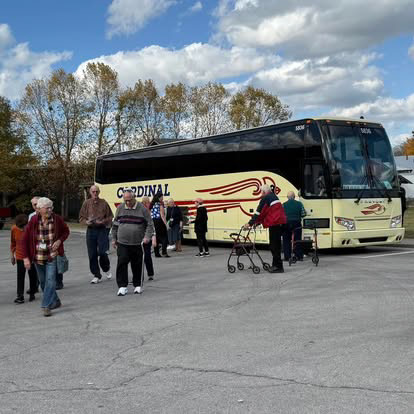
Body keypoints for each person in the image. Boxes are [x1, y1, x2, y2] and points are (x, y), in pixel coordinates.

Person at [22, 197, 70, 317]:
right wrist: (25, 258)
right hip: (38, 257)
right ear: (39, 209)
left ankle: (46, 306)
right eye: (47, 208)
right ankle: (56, 301)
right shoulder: (33, 220)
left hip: (51, 256)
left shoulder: (57, 219)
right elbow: (24, 239)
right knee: (43, 282)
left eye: (51, 208)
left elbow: (66, 231)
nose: (50, 210)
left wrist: (59, 241)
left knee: (50, 281)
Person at [112, 189, 155, 296]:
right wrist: (113, 238)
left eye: (129, 200)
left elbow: (150, 224)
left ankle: (138, 285)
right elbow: (115, 224)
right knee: (122, 263)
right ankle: (122, 286)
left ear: (134, 197)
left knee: (137, 264)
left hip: (137, 242)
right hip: (122, 242)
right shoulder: (120, 208)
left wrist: (147, 236)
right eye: (125, 200)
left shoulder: (142, 209)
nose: (127, 202)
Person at [244, 184, 286, 273]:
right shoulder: (274, 196)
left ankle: (278, 267)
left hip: (274, 223)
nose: (261, 194)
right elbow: (267, 212)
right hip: (280, 223)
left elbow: (259, 213)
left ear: (263, 192)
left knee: (274, 246)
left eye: (261, 192)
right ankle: (276, 265)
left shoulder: (265, 198)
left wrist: (250, 223)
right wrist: (258, 222)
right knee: (276, 246)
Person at [79, 185, 114, 284]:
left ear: (99, 192)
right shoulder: (86, 203)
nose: (95, 193)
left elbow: (110, 216)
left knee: (103, 252)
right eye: (93, 191)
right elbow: (81, 217)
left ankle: (106, 268)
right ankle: (96, 275)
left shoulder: (104, 203)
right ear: (90, 192)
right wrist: (86, 222)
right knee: (92, 254)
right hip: (91, 230)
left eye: (96, 191)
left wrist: (103, 221)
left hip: (102, 230)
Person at [10, 214, 38, 303]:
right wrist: (12, 255)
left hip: (31, 256)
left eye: (23, 227)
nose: (22, 229)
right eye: (20, 227)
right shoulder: (14, 229)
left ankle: (32, 293)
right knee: (20, 276)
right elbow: (13, 243)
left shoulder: (31, 229)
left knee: (32, 275)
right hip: (19, 256)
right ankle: (20, 296)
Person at [282, 191, 307, 262]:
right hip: (297, 224)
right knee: (297, 240)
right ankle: (299, 256)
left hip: (287, 224)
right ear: (294, 197)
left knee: (286, 240)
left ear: (287, 197)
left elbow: (281, 215)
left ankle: (287, 257)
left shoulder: (284, 205)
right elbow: (303, 214)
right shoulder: (299, 204)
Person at [141, 196, 156, 280]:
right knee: (144, 256)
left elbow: (151, 225)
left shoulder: (148, 212)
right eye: (148, 202)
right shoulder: (141, 211)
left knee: (147, 255)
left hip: (147, 236)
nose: (149, 204)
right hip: (140, 236)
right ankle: (143, 275)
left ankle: (150, 273)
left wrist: (153, 236)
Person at [150, 192, 169, 258]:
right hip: (159, 221)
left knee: (156, 237)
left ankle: (157, 253)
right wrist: (166, 224)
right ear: (159, 197)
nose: (162, 198)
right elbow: (162, 215)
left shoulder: (152, 205)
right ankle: (164, 252)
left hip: (153, 221)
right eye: (162, 197)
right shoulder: (160, 205)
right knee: (164, 237)